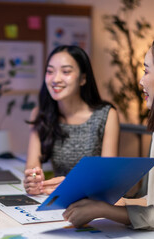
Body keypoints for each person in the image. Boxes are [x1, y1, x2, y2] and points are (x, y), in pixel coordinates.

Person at [63, 33, 154, 239]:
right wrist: (96, 201)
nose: (141, 81)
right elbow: (152, 201)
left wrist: (104, 210)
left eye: (146, 71)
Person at [24, 45, 120, 195]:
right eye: (50, 72)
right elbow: (32, 165)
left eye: (66, 72)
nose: (55, 79)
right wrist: (33, 179)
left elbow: (108, 177)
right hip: (59, 201)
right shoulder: (40, 114)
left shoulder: (106, 114)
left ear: (83, 79)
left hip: (95, 200)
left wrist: (72, 185)